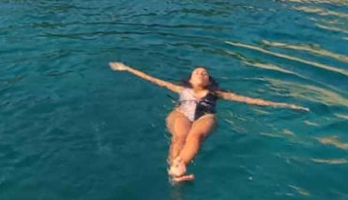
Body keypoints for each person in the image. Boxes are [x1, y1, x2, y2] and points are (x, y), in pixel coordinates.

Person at [109, 62, 307, 181]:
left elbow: (250, 100)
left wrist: (286, 105)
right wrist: (126, 68)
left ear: (209, 80)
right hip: (182, 114)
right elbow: (153, 79)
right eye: (197, 71)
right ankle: (174, 170)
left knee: (195, 135)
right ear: (190, 78)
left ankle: (181, 164)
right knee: (180, 136)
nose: (201, 73)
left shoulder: (216, 93)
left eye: (205, 73)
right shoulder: (181, 89)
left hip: (205, 116)